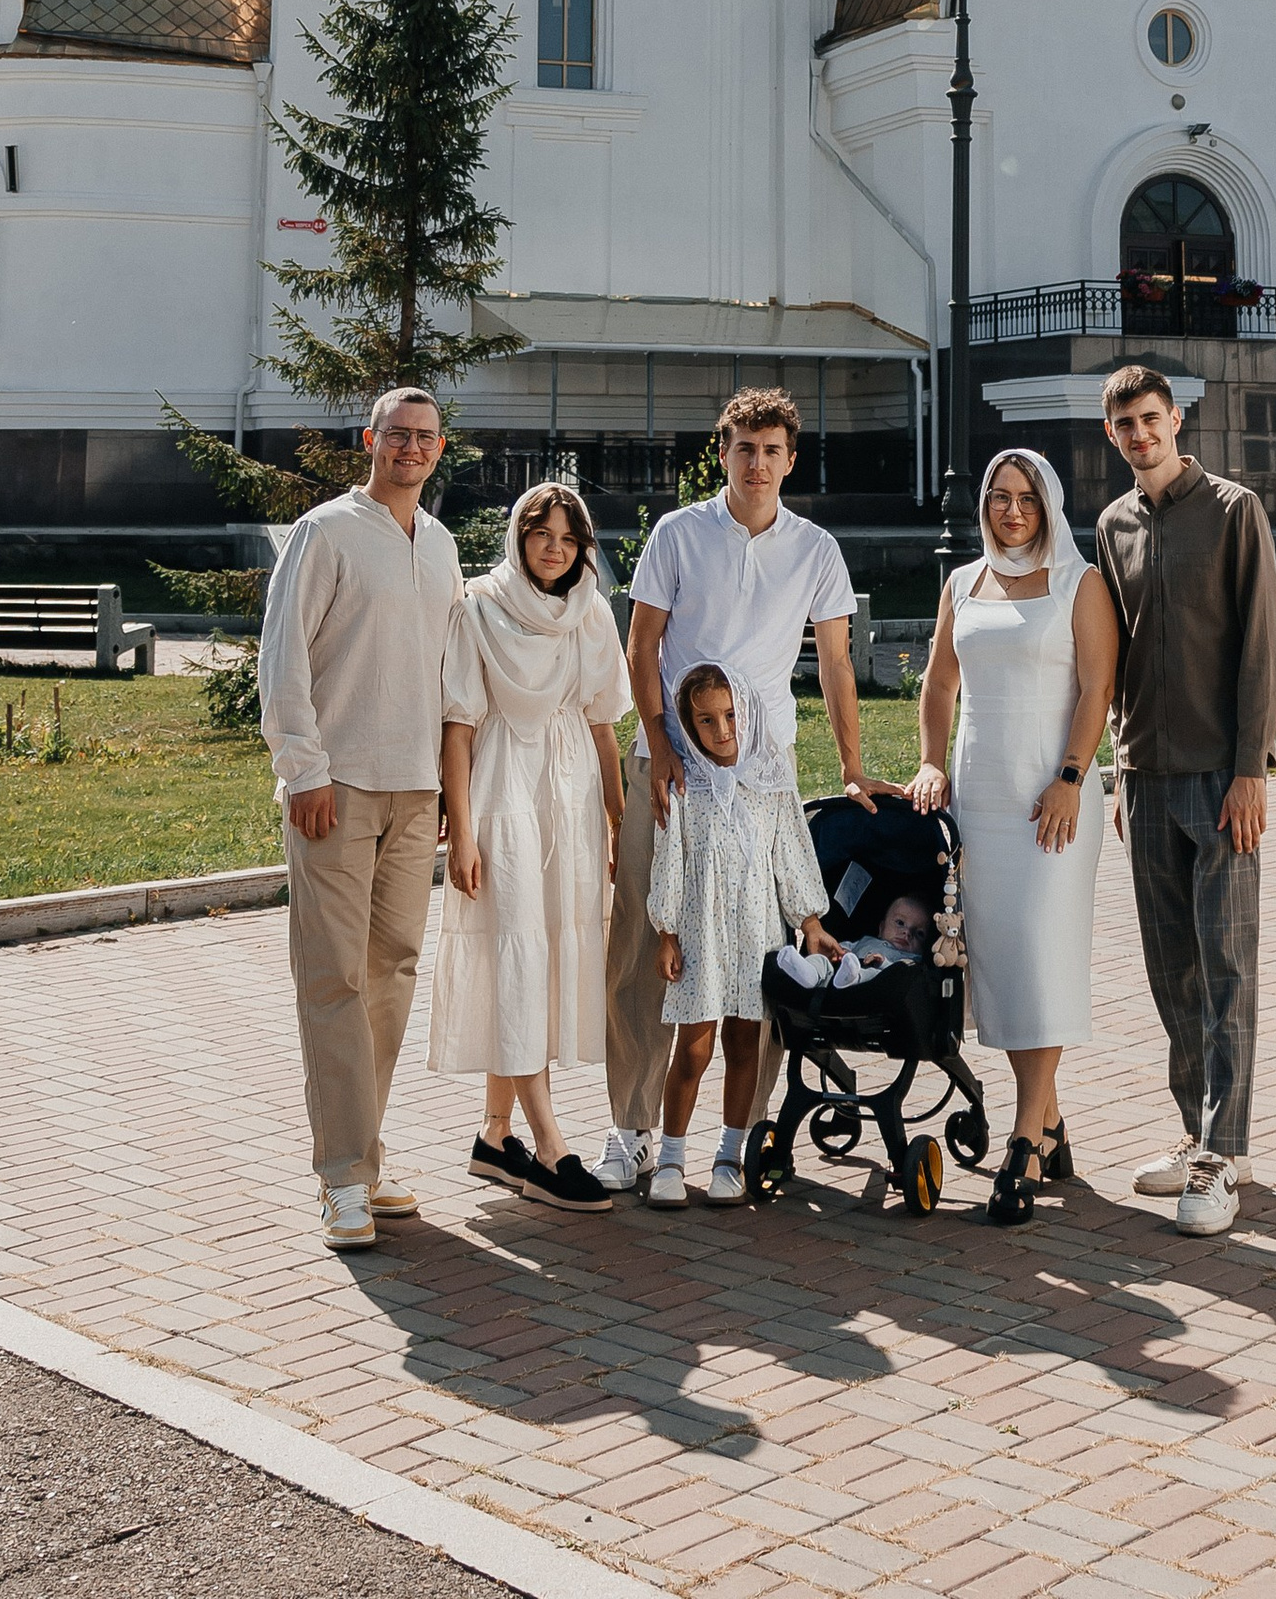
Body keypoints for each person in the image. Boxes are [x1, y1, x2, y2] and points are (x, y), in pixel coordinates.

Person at [596, 388, 872, 1197]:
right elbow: (641, 647)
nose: (758, 463)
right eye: (745, 448)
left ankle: (734, 1138)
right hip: (675, 774)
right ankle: (631, 1128)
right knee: (650, 949)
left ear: (791, 459)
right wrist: (657, 747)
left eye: (773, 451)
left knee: (759, 957)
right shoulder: (679, 535)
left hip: (763, 783)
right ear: (723, 452)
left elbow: (836, 664)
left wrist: (852, 765)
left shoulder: (817, 549)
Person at [259, 384, 463, 1250]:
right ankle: (341, 1177)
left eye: (425, 437)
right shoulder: (326, 531)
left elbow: (452, 671)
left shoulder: (445, 544)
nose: (411, 448)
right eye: (398, 434)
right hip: (334, 792)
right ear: (369, 439)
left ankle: (365, 1159)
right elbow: (284, 659)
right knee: (334, 979)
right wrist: (303, 770)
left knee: (391, 976)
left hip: (418, 793)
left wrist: (455, 787)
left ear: (439, 449)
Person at [1093, 361, 1276, 1242]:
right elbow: (1120, 655)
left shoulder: (1234, 511)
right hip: (1146, 774)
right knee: (1170, 969)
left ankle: (1224, 1153)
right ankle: (1195, 1132)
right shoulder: (1113, 525)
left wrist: (1252, 769)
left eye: (1150, 419)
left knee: (1225, 966)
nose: (1140, 435)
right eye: (1124, 425)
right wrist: (1119, 767)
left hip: (1220, 780)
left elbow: (1260, 647)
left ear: (1177, 419)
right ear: (1113, 435)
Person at [906, 447, 1118, 1229]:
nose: (1012, 510)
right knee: (1002, 957)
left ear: (1050, 505)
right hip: (980, 801)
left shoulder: (1079, 584)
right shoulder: (962, 584)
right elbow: (937, 684)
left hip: (1051, 799)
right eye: (999, 496)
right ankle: (1052, 1120)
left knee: (1037, 950)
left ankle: (1024, 1142)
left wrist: (1070, 775)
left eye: (1027, 498)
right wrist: (930, 762)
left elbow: (1099, 686)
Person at [431, 479, 630, 1216]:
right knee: (515, 950)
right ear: (519, 537)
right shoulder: (478, 608)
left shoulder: (592, 615)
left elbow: (604, 725)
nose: (554, 548)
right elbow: (458, 726)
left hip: (571, 798)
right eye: (541, 533)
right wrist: (463, 830)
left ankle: (494, 1133)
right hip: (505, 794)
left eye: (568, 537)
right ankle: (548, 1144)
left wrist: (616, 820)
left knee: (542, 952)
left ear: (583, 547)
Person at [649, 664, 837, 1205]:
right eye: (706, 720)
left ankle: (730, 1155)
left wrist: (811, 924)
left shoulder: (771, 784)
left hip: (757, 937)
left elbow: (791, 858)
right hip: (701, 940)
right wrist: (666, 931)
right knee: (693, 1050)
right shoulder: (684, 787)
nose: (722, 729)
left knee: (743, 1045)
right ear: (689, 725)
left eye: (730, 715)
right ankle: (670, 1158)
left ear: (746, 714)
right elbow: (670, 864)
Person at [772, 887, 929, 992]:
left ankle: (854, 975)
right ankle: (808, 973)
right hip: (840, 971)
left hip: (873, 985)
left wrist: (883, 963)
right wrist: (840, 951)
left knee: (875, 974)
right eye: (900, 923)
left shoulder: (912, 959)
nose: (907, 933)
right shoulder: (867, 941)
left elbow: (904, 976)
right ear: (881, 928)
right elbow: (848, 946)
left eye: (919, 933)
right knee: (822, 961)